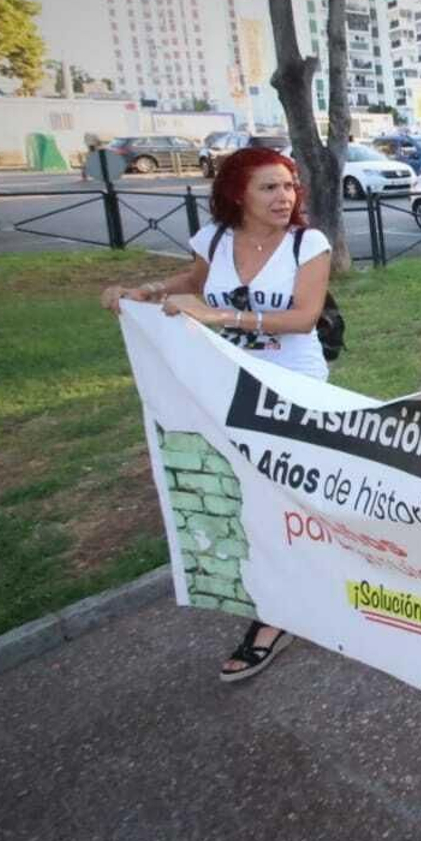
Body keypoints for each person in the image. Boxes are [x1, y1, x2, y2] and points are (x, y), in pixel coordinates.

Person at [100, 146, 333, 682]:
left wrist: (219, 314)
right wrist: (148, 291)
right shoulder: (215, 240)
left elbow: (302, 318)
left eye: (289, 186)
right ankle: (294, 591)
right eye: (269, 187)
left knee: (283, 494)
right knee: (253, 494)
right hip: (225, 384)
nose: (284, 197)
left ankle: (276, 617)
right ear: (236, 193)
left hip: (293, 388)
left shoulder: (307, 242)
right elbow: (197, 280)